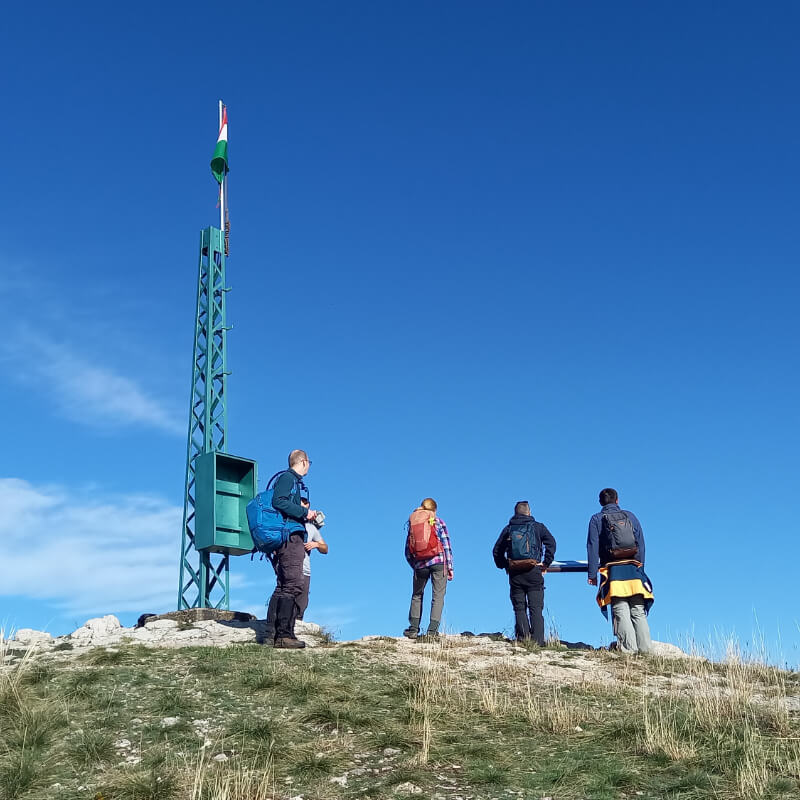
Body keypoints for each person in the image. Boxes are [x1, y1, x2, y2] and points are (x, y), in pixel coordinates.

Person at [587, 488, 653, 654]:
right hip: (633, 569)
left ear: (601, 502)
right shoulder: (630, 516)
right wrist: (641, 567)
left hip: (613, 570)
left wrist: (592, 573)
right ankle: (646, 651)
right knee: (638, 610)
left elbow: (592, 546)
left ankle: (629, 650)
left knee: (620, 610)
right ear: (617, 500)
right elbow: (641, 543)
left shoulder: (596, 519)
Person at [266, 449, 320, 649]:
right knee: (293, 584)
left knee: (284, 584)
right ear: (304, 462)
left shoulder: (290, 481)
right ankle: (284, 634)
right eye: (309, 463)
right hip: (290, 537)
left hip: (287, 536)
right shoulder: (288, 478)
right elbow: (278, 501)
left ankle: (273, 632)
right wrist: (304, 513)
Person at [492, 500, 557, 645]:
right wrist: (546, 563)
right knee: (536, 608)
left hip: (515, 573)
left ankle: (523, 639)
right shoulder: (538, 527)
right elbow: (551, 543)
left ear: (515, 513)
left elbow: (496, 551)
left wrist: (505, 565)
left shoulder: (508, 529)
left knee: (519, 607)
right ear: (529, 512)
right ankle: (538, 642)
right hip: (534, 570)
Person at [404, 497, 453, 640]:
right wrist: (450, 567)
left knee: (417, 595)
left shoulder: (414, 522)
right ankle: (432, 631)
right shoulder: (438, 522)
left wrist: (415, 565)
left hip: (420, 564)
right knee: (437, 596)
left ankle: (413, 629)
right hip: (438, 562)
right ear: (434, 510)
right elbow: (446, 546)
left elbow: (408, 550)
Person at [297, 497, 328, 623]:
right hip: (289, 566)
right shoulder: (287, 522)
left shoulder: (311, 528)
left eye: (304, 505)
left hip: (305, 569)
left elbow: (325, 548)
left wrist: (316, 545)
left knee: (302, 600)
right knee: (287, 596)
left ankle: (297, 625)